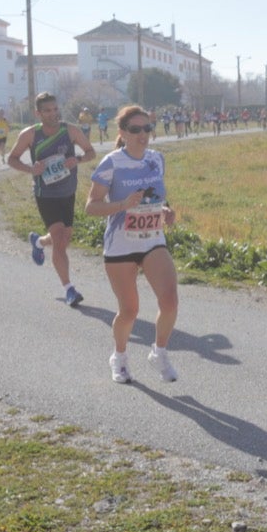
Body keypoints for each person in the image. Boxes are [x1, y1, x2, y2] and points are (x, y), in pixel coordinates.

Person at [86, 105, 181, 385]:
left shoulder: (157, 159)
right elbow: (91, 207)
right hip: (121, 245)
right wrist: (122, 205)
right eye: (135, 129)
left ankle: (159, 353)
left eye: (147, 128)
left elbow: (158, 197)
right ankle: (119, 357)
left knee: (170, 300)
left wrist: (166, 211)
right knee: (129, 311)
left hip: (152, 240)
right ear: (123, 133)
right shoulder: (112, 163)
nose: (143, 134)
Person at [9, 92, 96, 306]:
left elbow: (91, 152)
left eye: (55, 109)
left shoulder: (71, 130)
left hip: (68, 191)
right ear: (38, 113)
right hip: (45, 193)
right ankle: (69, 289)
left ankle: (38, 242)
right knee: (58, 238)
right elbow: (12, 159)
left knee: (64, 238)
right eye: (47, 111)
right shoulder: (30, 134)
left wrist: (77, 159)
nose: (53, 114)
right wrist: (31, 169)